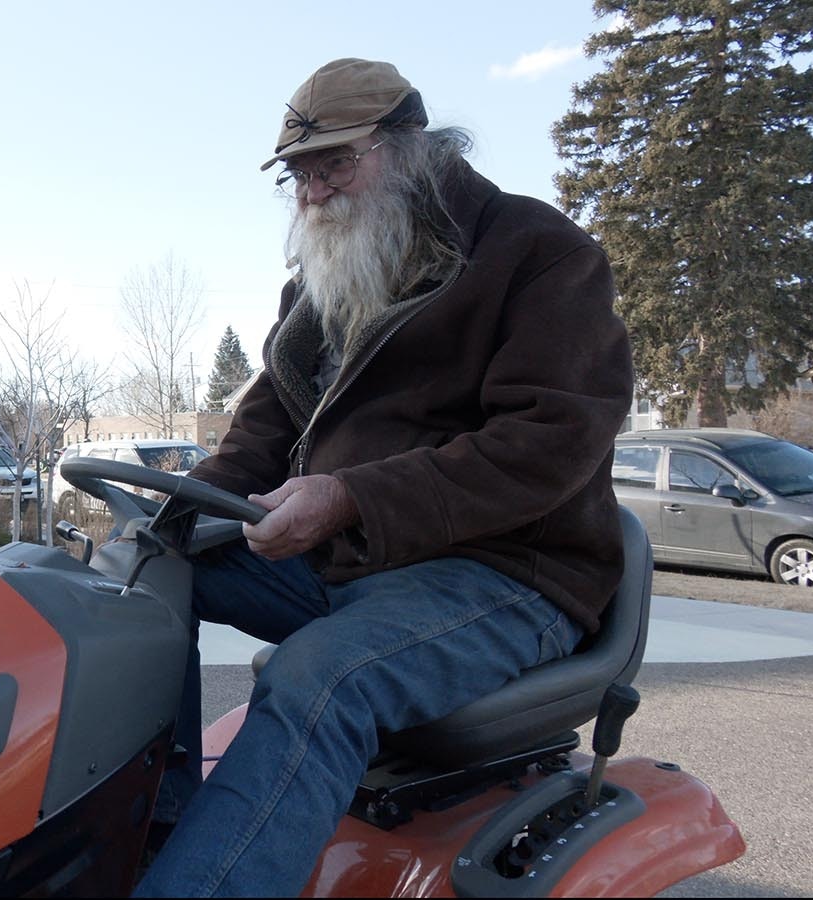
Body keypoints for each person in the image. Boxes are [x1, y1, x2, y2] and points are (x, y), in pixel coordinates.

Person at [133, 59, 633, 896]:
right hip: (353, 558)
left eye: (335, 164)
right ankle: (158, 829)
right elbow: (267, 424)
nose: (315, 193)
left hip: (501, 571)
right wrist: (172, 514)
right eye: (299, 174)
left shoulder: (540, 255)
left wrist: (352, 496)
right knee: (137, 582)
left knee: (320, 681)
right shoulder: (328, 277)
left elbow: (550, 440)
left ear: (409, 149)